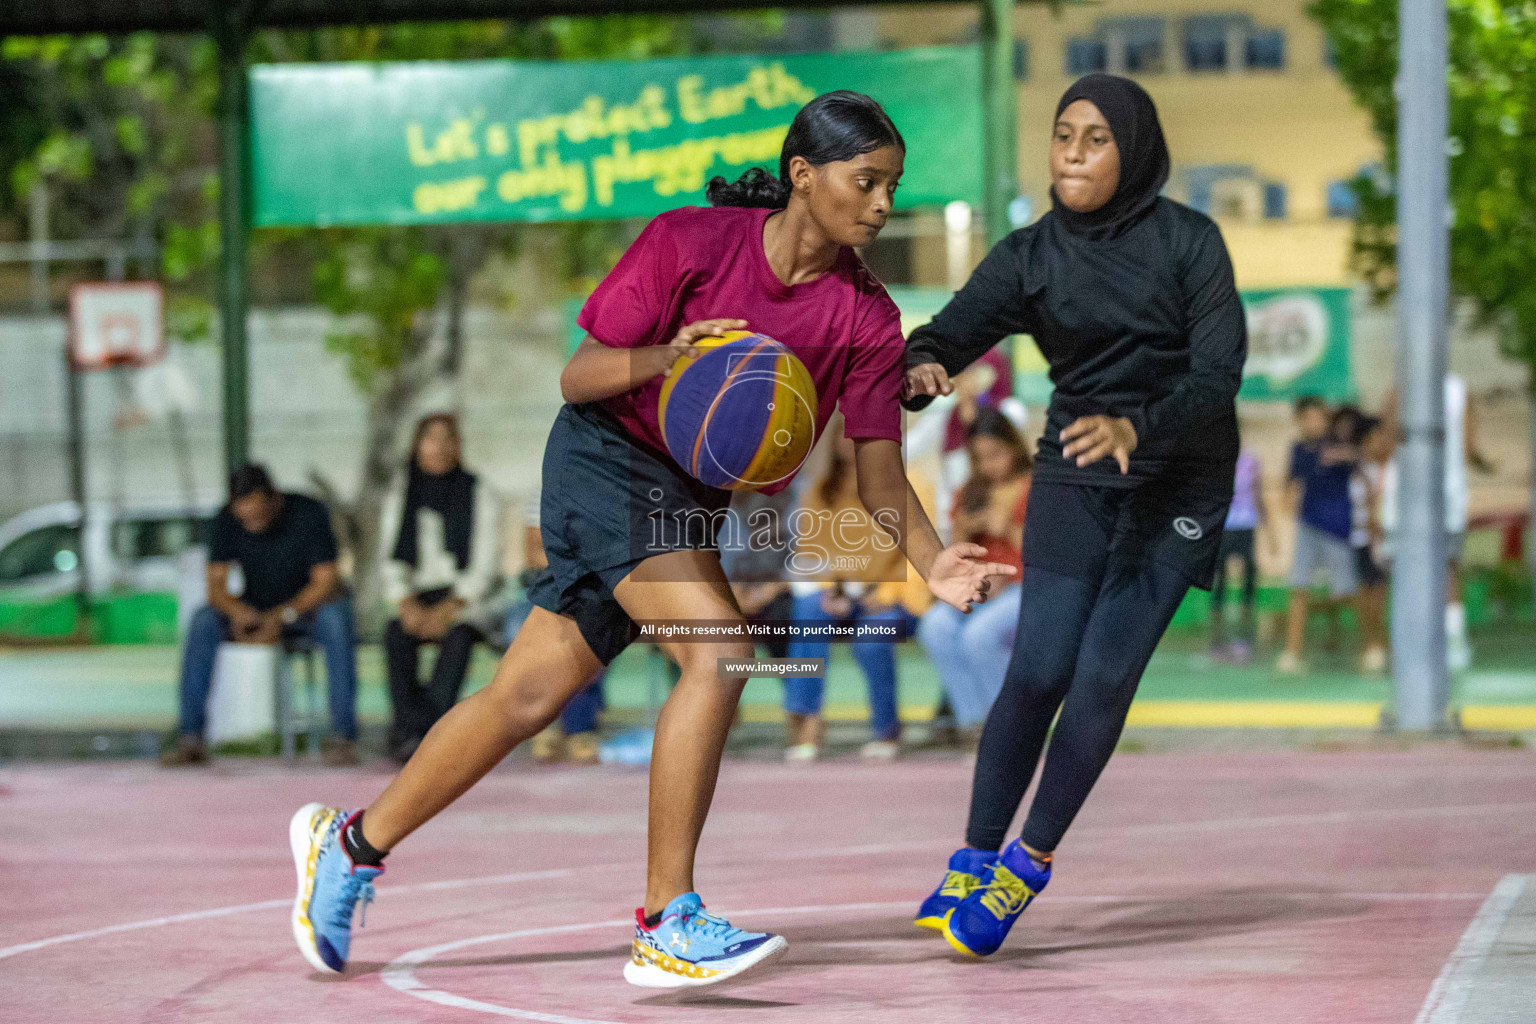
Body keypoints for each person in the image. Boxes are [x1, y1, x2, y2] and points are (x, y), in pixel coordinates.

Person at [288, 90, 1009, 987]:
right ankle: (668, 919)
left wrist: (933, 560)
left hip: (688, 497)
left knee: (524, 697)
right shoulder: (690, 244)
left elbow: (874, 474)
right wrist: (667, 359)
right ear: (803, 176)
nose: (882, 204)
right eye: (866, 182)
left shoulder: (865, 318)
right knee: (722, 653)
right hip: (605, 460)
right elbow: (577, 374)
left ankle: (349, 845)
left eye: (892, 186)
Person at [902, 74, 1246, 956]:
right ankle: (975, 855)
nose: (1074, 153)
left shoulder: (1189, 244)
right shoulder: (1031, 255)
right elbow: (948, 329)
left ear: (1132, 150)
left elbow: (1217, 377)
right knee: (1038, 668)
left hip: (1180, 481)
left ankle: (1028, 861)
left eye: (1096, 137)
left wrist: (1142, 424)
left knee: (1100, 675)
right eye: (1063, 135)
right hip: (1078, 470)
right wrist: (926, 362)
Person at [163, 463, 358, 767]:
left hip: (306, 609)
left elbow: (325, 580)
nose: (251, 523)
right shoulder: (225, 520)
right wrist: (238, 613)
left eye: (258, 516)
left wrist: (282, 617)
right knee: (202, 622)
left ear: (274, 499)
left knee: (337, 620)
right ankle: (190, 737)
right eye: (245, 518)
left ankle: (343, 737)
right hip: (256, 606)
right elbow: (215, 587)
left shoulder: (309, 513)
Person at [782, 426, 910, 762]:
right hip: (840, 593)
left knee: (872, 635)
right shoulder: (818, 494)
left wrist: (882, 593)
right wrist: (834, 589)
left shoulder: (904, 490)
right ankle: (807, 721)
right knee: (809, 609)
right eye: (844, 432)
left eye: (861, 431)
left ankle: (886, 728)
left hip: (889, 596)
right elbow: (810, 557)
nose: (851, 441)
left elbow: (917, 556)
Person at [380, 413, 501, 764]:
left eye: (447, 438)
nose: (439, 447)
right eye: (430, 438)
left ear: (458, 446)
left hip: (465, 597)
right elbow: (391, 558)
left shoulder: (479, 492)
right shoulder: (400, 494)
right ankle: (409, 730)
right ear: (417, 445)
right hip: (416, 595)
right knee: (396, 634)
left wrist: (452, 606)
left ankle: (429, 731)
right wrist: (406, 602)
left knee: (460, 636)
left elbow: (485, 565)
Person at [917, 408, 1032, 743]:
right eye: (979, 458)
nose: (988, 466)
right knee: (936, 626)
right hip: (984, 587)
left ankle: (1007, 725)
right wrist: (966, 531)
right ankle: (974, 722)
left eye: (996, 455)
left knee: (979, 635)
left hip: (1023, 585)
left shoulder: (1033, 486)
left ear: (1014, 447)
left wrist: (1008, 529)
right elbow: (956, 557)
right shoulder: (970, 491)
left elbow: (1046, 555)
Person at [1277, 397, 1358, 674]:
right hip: (1307, 525)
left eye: (1317, 417)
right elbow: (1290, 481)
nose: (1313, 423)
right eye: (1307, 418)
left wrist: (1347, 454)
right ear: (1299, 420)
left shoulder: (1340, 445)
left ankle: (1371, 646)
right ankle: (1292, 652)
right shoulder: (1299, 449)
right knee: (1298, 587)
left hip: (1337, 528)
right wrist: (1285, 502)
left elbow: (1360, 460)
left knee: (1346, 592)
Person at [1210, 444, 1267, 663]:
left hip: (1246, 523)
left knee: (1249, 571)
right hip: (1224, 524)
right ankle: (1217, 619)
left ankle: (1247, 610)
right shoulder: (1215, 460)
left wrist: (1267, 527)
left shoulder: (1250, 461)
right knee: (1219, 576)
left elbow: (1257, 492)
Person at [1353, 415, 1393, 673]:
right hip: (1359, 539)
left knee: (1380, 593)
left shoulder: (1389, 471)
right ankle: (1370, 643)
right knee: (1364, 594)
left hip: (1382, 540)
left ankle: (1381, 644)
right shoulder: (1357, 471)